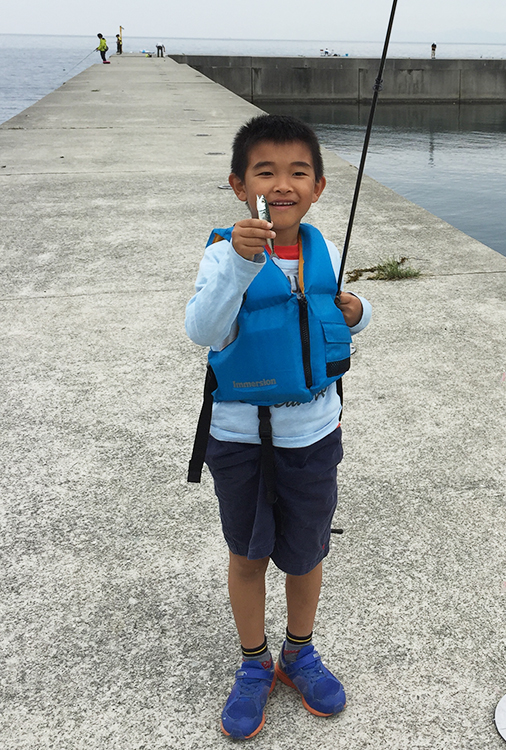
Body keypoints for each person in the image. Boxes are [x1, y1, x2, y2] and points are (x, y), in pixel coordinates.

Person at [185, 114, 371, 740]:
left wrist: (360, 310)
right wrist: (239, 265)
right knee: (248, 553)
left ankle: (299, 650)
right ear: (240, 185)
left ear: (318, 187)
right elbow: (204, 332)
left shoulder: (326, 250)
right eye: (266, 171)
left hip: (313, 435)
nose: (283, 184)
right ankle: (253, 661)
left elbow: (337, 320)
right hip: (238, 438)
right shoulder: (221, 253)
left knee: (305, 552)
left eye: (299, 173)